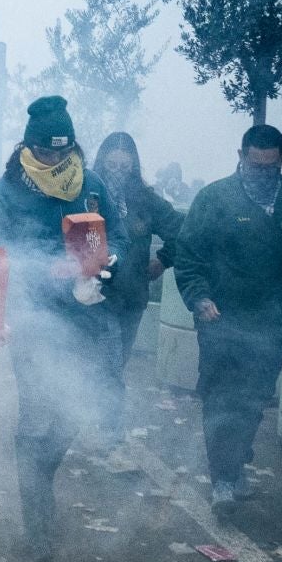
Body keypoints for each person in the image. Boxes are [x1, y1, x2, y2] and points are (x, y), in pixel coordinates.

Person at [0, 96, 126, 562]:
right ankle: (38, 526)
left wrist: (108, 266)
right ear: (28, 148)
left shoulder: (90, 184)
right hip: (33, 320)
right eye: (46, 153)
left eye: (62, 153)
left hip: (86, 318)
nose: (55, 161)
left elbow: (119, 237)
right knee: (36, 412)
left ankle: (40, 470)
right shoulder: (8, 191)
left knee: (72, 410)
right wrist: (43, 274)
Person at [175, 124, 282, 514]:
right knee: (219, 397)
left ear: (281, 159)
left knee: (253, 399)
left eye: (271, 166)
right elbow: (189, 255)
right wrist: (199, 297)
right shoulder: (214, 198)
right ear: (241, 156)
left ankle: (235, 459)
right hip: (220, 318)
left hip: (274, 322)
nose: (262, 173)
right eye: (255, 165)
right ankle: (223, 479)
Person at [92, 131, 184, 409]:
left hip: (132, 297)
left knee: (116, 362)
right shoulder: (87, 193)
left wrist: (163, 260)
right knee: (105, 361)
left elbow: (181, 229)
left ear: (134, 166)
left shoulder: (145, 200)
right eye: (111, 166)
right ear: (101, 163)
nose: (118, 173)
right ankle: (109, 426)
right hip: (94, 295)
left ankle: (100, 416)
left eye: (124, 167)